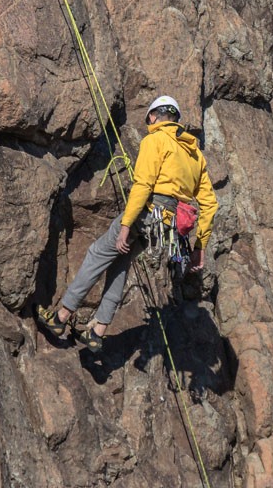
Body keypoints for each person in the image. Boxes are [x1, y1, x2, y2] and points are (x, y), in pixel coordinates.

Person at [37, 95, 218, 350]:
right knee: (120, 264)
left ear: (154, 116)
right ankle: (97, 331)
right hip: (168, 228)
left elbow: (143, 185)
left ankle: (61, 317)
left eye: (149, 120)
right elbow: (209, 205)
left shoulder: (155, 140)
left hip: (147, 215)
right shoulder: (194, 154)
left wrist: (125, 228)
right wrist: (199, 248)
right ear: (175, 119)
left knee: (98, 253)